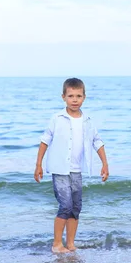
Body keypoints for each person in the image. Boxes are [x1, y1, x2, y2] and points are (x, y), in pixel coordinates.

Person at [34, 77, 109, 253]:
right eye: (70, 96)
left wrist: (105, 164)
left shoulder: (88, 120)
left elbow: (97, 142)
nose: (74, 100)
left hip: (77, 170)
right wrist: (38, 165)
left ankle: (70, 243)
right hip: (59, 169)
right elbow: (45, 140)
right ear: (63, 97)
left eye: (78, 96)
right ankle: (56, 244)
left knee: (76, 207)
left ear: (84, 97)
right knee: (65, 205)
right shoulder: (57, 118)